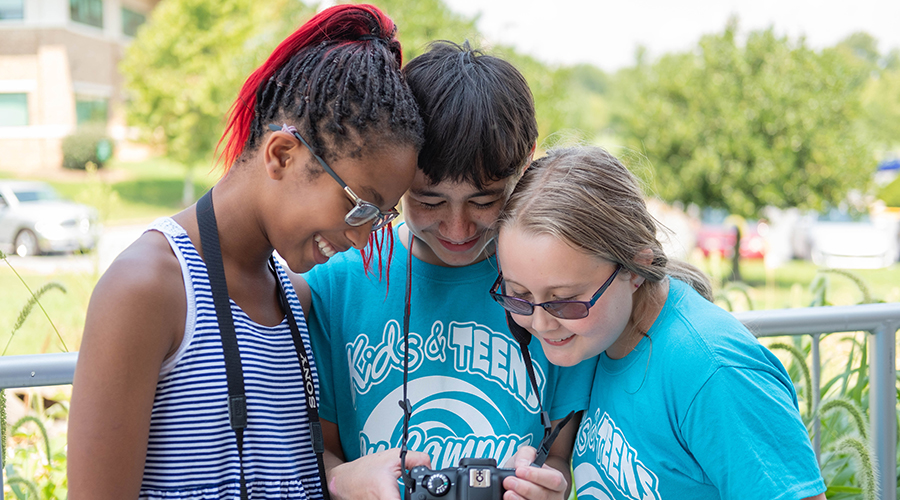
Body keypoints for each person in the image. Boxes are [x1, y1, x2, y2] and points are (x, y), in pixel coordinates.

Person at [67, 5, 424, 499]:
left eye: (380, 218)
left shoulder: (296, 299)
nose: (363, 240)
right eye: (358, 206)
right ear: (282, 155)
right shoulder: (148, 290)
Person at [299, 41, 596, 500]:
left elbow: (558, 454)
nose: (457, 228)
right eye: (428, 200)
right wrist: (344, 482)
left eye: (485, 200)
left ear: (527, 161)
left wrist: (549, 484)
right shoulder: (336, 288)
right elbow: (315, 455)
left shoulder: (554, 288)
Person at [491, 146, 828, 500]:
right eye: (519, 296)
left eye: (565, 301)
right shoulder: (602, 339)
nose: (541, 323)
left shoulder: (713, 371)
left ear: (635, 268)